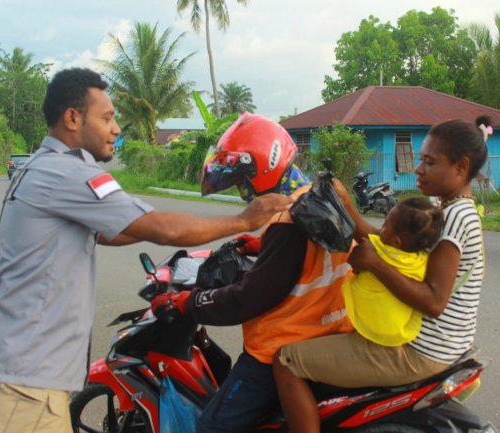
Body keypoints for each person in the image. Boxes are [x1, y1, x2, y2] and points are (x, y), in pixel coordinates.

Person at [0, 69, 291, 433]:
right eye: (106, 117)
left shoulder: (41, 167)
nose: (117, 128)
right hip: (25, 375)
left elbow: (110, 233)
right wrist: (243, 221)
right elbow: (160, 227)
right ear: (72, 118)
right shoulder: (67, 173)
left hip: (18, 361)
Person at [273, 119, 488, 433]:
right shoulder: (443, 208)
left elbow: (434, 301)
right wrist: (345, 203)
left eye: (429, 162)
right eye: (420, 160)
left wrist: (374, 266)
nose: (418, 169)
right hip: (439, 344)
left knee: (286, 361)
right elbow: (387, 244)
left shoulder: (454, 217)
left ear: (461, 167)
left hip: (420, 351)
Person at [151, 112, 353, 433]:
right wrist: (263, 246)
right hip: (326, 332)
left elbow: (250, 298)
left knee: (212, 428)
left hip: (282, 345)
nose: (241, 190)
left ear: (262, 171)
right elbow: (311, 255)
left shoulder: (286, 223)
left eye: (242, 181)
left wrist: (187, 303)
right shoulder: (315, 196)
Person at [344, 197, 443, 347]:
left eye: (384, 226)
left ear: (396, 242)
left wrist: (344, 200)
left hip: (376, 328)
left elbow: (361, 238)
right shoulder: (421, 259)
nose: (380, 229)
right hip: (400, 330)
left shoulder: (382, 251)